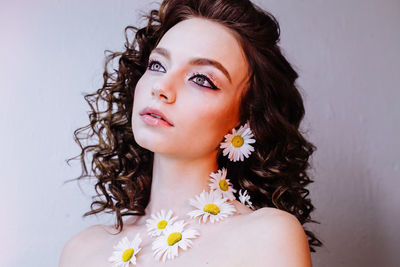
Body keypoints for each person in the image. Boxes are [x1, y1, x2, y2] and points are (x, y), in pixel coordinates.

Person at [59, 0, 322, 266]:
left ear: (246, 118)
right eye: (157, 65)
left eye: (201, 80)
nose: (161, 87)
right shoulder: (82, 252)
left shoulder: (267, 236)